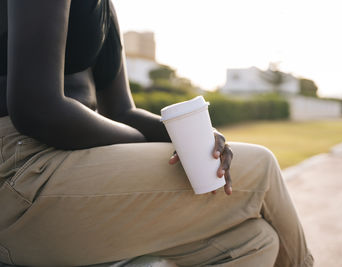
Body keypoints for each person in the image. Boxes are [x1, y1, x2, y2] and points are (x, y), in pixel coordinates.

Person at [0, 0, 313, 266]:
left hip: (72, 161)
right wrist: (138, 142)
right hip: (20, 170)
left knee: (255, 242)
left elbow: (122, 111)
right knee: (261, 167)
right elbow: (36, 107)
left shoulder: (105, 10)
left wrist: (200, 136)